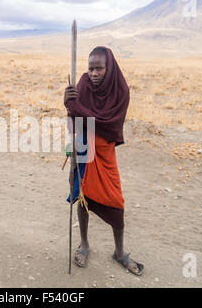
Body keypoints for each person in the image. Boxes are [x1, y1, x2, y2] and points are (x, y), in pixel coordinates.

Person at [64, 46, 144, 276]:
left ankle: (119, 253)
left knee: (116, 202)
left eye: (99, 68)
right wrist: (67, 104)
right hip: (83, 149)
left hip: (105, 154)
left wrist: (76, 108)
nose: (94, 73)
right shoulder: (81, 85)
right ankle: (84, 245)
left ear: (109, 68)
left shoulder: (120, 91)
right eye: (90, 68)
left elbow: (110, 124)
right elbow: (73, 118)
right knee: (82, 197)